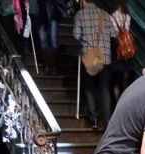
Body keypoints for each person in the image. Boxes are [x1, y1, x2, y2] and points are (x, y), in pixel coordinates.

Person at [73, 0, 116, 131]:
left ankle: (94, 117)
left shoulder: (80, 15)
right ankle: (107, 121)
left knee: (89, 86)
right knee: (104, 89)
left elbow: (76, 35)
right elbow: (114, 34)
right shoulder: (105, 14)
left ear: (84, 2)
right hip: (105, 58)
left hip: (89, 57)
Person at [110, 0, 135, 105]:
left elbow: (112, 34)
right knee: (125, 83)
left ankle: (117, 105)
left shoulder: (111, 17)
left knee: (115, 82)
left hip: (116, 51)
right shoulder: (127, 17)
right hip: (126, 53)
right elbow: (126, 32)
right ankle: (125, 103)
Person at [37, 0, 65, 75]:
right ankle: (47, 66)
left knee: (53, 40)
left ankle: (53, 66)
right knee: (43, 40)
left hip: (53, 14)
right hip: (42, 14)